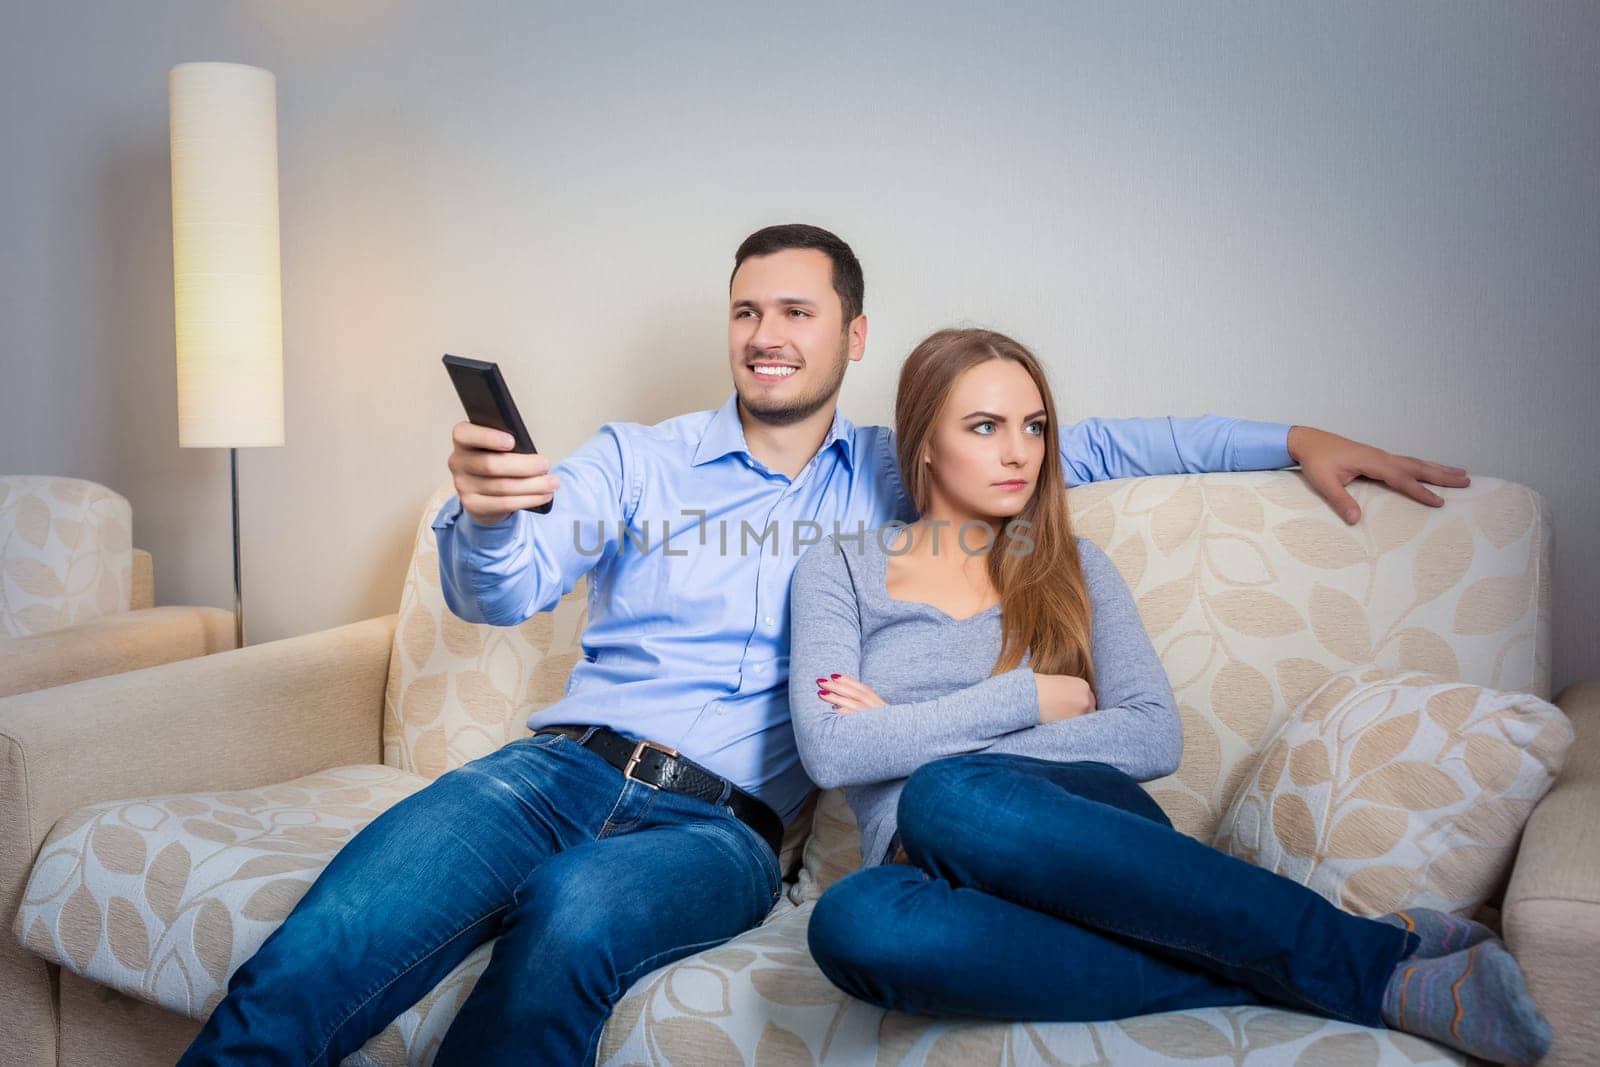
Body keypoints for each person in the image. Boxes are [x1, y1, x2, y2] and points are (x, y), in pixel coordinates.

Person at [177, 225, 1473, 1065]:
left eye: (797, 311)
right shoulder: (641, 457)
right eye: (746, 311)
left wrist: (1286, 437)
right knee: (322, 947)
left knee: (570, 925)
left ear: (853, 338)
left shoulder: (895, 476)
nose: (766, 333)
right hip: (553, 769)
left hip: (722, 832)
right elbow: (503, 591)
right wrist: (481, 508)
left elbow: (1101, 443)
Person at [788, 326, 1550, 1065]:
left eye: (1034, 426)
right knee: (851, 923)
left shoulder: (1075, 564)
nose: (1019, 451)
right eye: (985, 426)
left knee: (944, 795)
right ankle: (1287, 968)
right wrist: (1026, 697)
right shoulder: (840, 571)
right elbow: (831, 749)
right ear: (923, 440)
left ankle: (1373, 967)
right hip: (922, 873)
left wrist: (909, 732)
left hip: (1089, 845)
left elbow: (1152, 737)